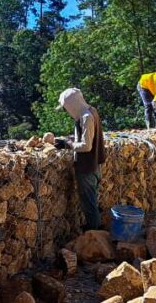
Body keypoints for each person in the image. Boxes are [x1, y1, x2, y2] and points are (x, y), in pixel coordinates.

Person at [56, 87, 106, 231]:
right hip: (94, 163)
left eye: (66, 107)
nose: (66, 111)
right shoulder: (92, 111)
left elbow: (86, 146)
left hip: (87, 166)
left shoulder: (86, 117)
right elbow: (88, 136)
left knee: (89, 203)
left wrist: (68, 144)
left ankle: (94, 233)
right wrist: (71, 139)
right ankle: (95, 229)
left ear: (71, 104)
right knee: (92, 200)